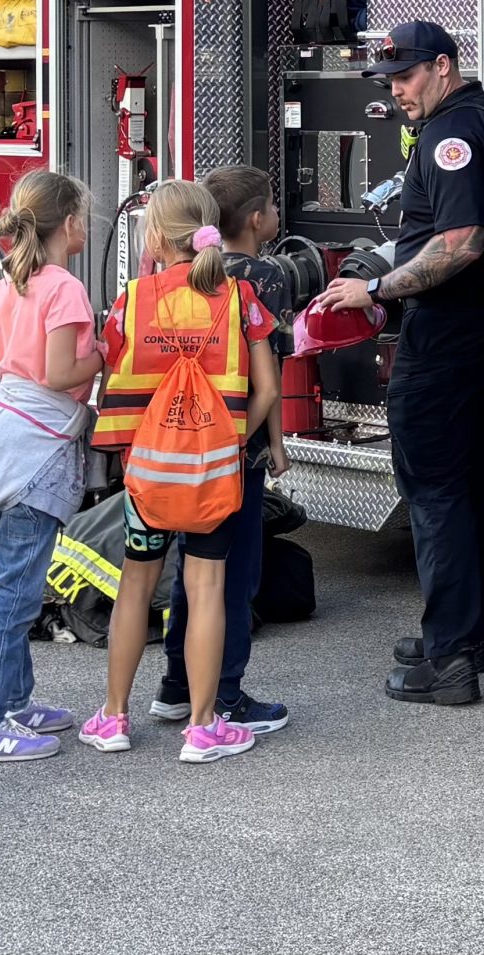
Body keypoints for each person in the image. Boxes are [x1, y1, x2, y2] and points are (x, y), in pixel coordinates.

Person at [311, 19, 484, 706]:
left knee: (433, 489)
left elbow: (463, 240)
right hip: (474, 333)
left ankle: (449, 659)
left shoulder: (452, 135)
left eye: (408, 76)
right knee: (469, 481)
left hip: (444, 334)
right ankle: (468, 634)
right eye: (389, 81)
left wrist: (379, 287)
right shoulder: (480, 115)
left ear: (444, 66)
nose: (396, 91)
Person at [79, 181, 280, 764]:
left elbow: (114, 373)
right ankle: (202, 726)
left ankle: (114, 716)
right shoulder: (243, 298)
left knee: (136, 585)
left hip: (150, 473)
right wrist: (227, 441)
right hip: (215, 473)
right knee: (208, 587)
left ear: (157, 237)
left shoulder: (134, 299)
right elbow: (266, 389)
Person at [0, 171, 100, 765]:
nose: (86, 226)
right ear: (67, 224)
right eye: (84, 217)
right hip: (39, 451)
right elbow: (64, 374)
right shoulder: (62, 287)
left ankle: (14, 701)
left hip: (3, 440)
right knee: (13, 593)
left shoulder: (5, 285)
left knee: (11, 580)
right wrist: (107, 348)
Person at [150, 165, 295, 737]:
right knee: (235, 578)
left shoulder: (172, 279)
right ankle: (227, 693)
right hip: (235, 453)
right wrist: (268, 443)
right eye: (274, 207)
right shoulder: (263, 278)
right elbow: (271, 374)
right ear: (257, 220)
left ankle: (175, 685)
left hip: (179, 449)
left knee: (191, 569)